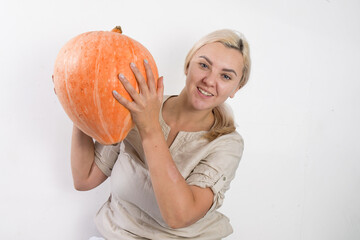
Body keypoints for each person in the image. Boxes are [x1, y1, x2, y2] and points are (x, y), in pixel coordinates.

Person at [71, 29, 251, 239]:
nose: (210, 80)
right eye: (204, 65)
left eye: (226, 76)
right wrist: (77, 103)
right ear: (187, 65)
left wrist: (149, 127)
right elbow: (85, 179)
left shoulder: (228, 144)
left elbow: (179, 217)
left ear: (236, 88)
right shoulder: (140, 105)